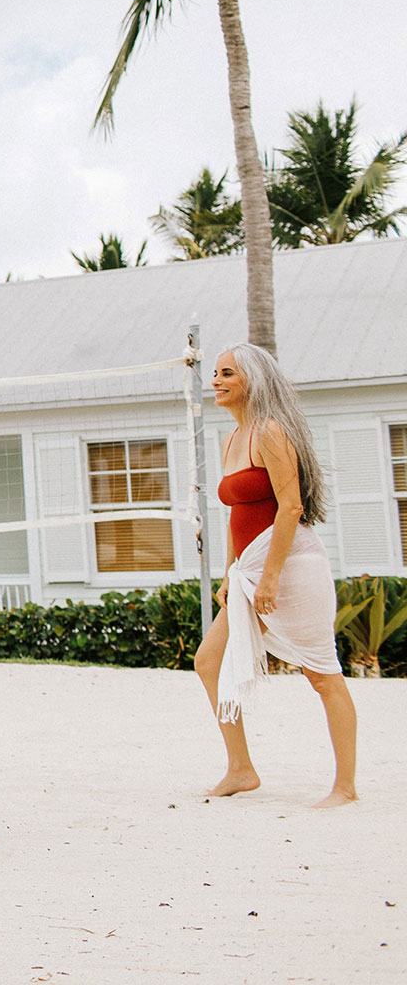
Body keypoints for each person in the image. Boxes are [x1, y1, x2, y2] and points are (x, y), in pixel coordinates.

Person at [194, 344, 356, 807]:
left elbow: (292, 507)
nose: (217, 380)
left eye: (227, 373)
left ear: (253, 380)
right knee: (208, 661)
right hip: (248, 571)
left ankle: (345, 787)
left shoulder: (270, 431)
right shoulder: (231, 439)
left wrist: (269, 577)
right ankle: (241, 770)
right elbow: (236, 514)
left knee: (322, 674)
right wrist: (231, 573)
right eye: (215, 373)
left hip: (291, 566)